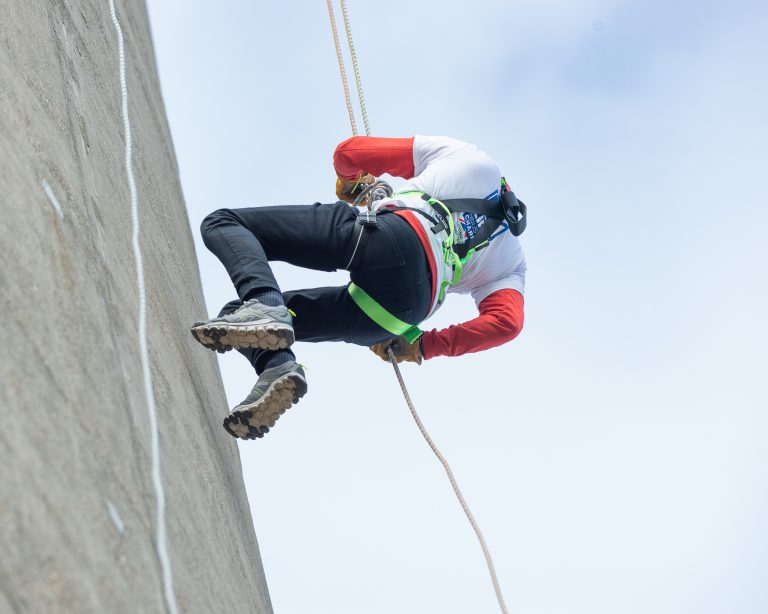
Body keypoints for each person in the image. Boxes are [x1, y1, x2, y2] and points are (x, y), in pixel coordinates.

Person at [192, 135, 527, 440]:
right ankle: (276, 366)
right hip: (400, 313)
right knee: (235, 316)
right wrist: (424, 346)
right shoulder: (512, 262)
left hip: (393, 239)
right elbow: (507, 324)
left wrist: (354, 183)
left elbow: (349, 153)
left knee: (224, 223)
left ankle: (264, 303)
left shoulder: (468, 157)